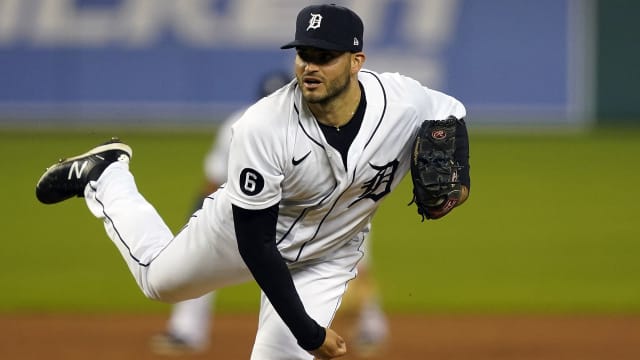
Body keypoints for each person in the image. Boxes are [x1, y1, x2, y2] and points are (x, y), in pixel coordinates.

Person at [35, 4, 470, 360]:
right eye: (304, 54)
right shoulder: (261, 127)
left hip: (330, 251)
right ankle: (107, 174)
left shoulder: (403, 101)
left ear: (356, 62)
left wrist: (460, 176)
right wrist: (309, 332)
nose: (309, 67)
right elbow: (257, 246)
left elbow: (449, 109)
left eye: (324, 57)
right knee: (159, 283)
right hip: (242, 232)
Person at [150, 70, 389, 356]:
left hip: (313, 216)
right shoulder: (242, 125)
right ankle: (186, 330)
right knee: (202, 264)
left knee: (355, 261)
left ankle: (371, 328)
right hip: (248, 214)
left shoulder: (321, 124)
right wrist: (198, 226)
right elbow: (212, 183)